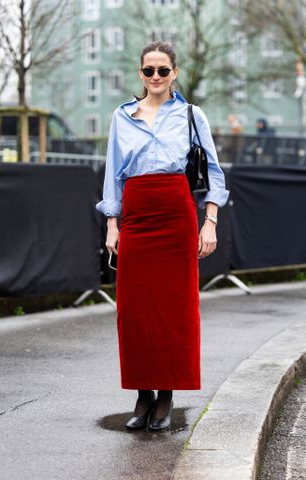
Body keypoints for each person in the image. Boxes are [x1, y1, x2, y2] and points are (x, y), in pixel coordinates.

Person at [95, 41, 229, 432]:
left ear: (174, 73)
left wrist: (210, 221)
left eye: (163, 71)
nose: (156, 77)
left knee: (174, 310)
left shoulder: (191, 114)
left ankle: (166, 395)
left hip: (175, 216)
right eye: (149, 70)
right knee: (134, 311)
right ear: (140, 74)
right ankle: (143, 394)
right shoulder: (121, 116)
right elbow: (113, 174)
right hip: (136, 215)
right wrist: (112, 223)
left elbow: (215, 173)